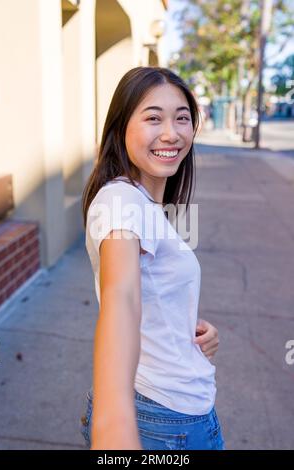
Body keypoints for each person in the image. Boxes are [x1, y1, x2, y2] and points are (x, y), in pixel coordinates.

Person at [80, 66, 225, 450]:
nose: (171, 133)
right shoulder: (121, 200)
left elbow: (147, 290)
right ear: (120, 127)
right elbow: (122, 299)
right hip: (161, 420)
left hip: (172, 411)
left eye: (182, 118)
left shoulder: (145, 202)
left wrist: (186, 328)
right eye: (153, 118)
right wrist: (113, 433)